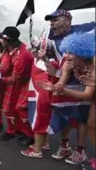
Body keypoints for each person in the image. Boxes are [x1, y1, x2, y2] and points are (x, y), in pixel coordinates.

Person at [41, 9, 95, 164]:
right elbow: (53, 60)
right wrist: (48, 63)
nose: (52, 24)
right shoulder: (51, 39)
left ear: (67, 20)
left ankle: (80, 150)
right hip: (66, 80)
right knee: (60, 111)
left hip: (84, 82)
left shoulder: (85, 29)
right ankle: (65, 146)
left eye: (55, 20)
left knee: (84, 117)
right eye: (51, 21)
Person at [0, 27, 34, 145]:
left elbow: (12, 77)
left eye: (1, 40)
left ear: (8, 40)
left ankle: (29, 135)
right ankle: (17, 131)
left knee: (20, 109)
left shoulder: (20, 56)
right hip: (15, 82)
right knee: (10, 109)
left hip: (22, 83)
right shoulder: (12, 50)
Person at [21, 38, 59, 158]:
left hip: (42, 95)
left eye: (35, 48)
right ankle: (44, 144)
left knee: (39, 121)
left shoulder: (50, 62)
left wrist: (45, 58)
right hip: (36, 94)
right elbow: (28, 51)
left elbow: (52, 72)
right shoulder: (37, 59)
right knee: (41, 119)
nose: (32, 50)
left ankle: (37, 151)